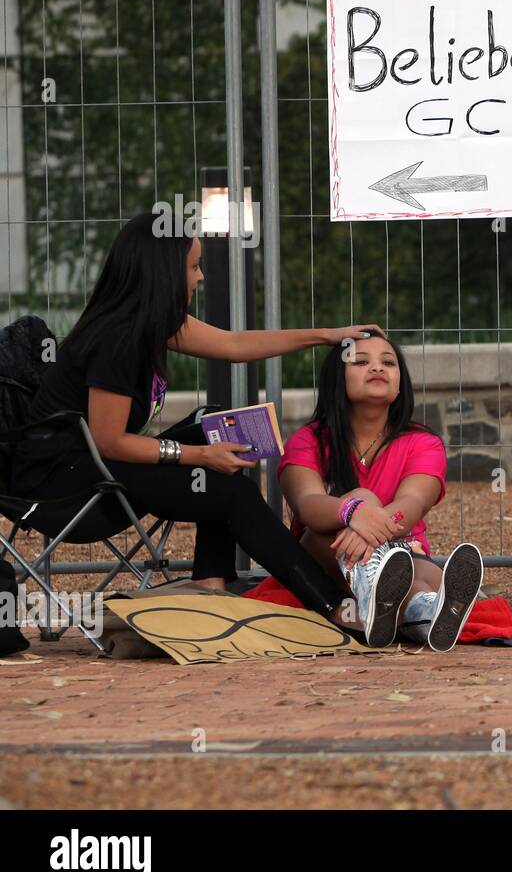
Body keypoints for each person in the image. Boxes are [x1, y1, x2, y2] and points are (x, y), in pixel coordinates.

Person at [9, 213, 387, 641]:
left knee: (223, 431)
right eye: (193, 266)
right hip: (66, 486)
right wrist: (197, 456)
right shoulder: (119, 339)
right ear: (164, 272)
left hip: (98, 466)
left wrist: (327, 334)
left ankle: (212, 583)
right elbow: (109, 441)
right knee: (225, 484)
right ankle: (334, 606)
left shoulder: (149, 322)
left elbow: (233, 345)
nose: (201, 277)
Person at [276, 333, 484, 652]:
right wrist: (355, 511)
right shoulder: (307, 441)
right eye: (361, 362)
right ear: (336, 378)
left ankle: (421, 610)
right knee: (361, 507)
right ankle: (408, 606)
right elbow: (308, 504)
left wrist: (369, 525)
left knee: (421, 572)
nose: (377, 368)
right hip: (322, 559)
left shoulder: (423, 443)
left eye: (388, 362)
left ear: (399, 385)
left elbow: (412, 504)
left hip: (401, 549)